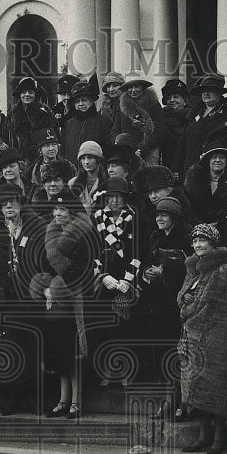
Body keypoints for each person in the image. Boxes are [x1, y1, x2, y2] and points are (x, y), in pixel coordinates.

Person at [0, 184, 48, 414]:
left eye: (13, 201)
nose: (8, 206)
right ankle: (8, 401)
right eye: (4, 202)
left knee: (31, 350)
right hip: (3, 298)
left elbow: (44, 261)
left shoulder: (36, 226)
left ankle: (33, 401)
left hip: (29, 299)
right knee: (6, 350)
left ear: (21, 203)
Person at [34, 188, 100, 419]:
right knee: (60, 351)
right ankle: (62, 400)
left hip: (77, 295)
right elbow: (45, 265)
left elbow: (83, 266)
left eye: (62, 209)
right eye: (55, 209)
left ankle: (76, 402)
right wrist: (47, 287)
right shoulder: (51, 233)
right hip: (57, 298)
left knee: (73, 353)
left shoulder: (83, 234)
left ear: (71, 211)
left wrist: (57, 286)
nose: (58, 213)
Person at [177, 223, 227, 454]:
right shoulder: (194, 267)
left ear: (212, 243)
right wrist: (184, 300)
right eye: (195, 241)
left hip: (214, 335)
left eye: (202, 240)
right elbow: (183, 295)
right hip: (192, 334)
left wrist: (186, 309)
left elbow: (211, 303)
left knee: (214, 386)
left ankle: (220, 435)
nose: (198, 244)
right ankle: (203, 434)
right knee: (195, 384)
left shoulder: (221, 269)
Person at [141, 196, 192, 420]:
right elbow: (146, 261)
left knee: (179, 354)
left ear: (174, 218)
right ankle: (167, 400)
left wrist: (166, 273)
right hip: (158, 302)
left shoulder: (186, 237)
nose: (159, 219)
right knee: (163, 352)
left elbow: (191, 269)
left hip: (177, 302)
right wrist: (147, 273)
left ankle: (183, 402)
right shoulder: (155, 236)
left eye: (164, 215)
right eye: (158, 215)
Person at [91, 177, 142, 389]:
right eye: (111, 197)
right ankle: (106, 371)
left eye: (119, 197)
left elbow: (138, 251)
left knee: (124, 328)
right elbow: (93, 250)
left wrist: (128, 280)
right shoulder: (96, 217)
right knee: (104, 327)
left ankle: (125, 372)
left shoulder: (133, 218)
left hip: (126, 279)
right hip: (105, 280)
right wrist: (103, 276)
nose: (114, 201)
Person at [172, 74, 227, 177]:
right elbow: (183, 142)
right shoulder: (194, 112)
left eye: (210, 90)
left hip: (212, 168)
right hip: (189, 166)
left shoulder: (226, 113)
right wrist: (176, 168)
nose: (206, 94)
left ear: (219, 92)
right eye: (203, 91)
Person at [111, 73, 167, 166]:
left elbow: (159, 131)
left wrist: (141, 149)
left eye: (136, 86)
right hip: (127, 151)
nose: (133, 90)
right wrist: (119, 144)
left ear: (143, 87)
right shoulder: (121, 105)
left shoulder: (153, 104)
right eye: (130, 87)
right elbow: (115, 130)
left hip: (148, 150)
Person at [5, 76, 55, 161]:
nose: (27, 95)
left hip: (42, 159)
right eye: (24, 92)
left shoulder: (45, 112)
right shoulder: (12, 115)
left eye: (30, 92)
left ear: (35, 94)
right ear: (20, 95)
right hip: (20, 160)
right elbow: (8, 139)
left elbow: (54, 136)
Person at [61, 81, 108, 165]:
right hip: (72, 169)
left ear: (92, 101)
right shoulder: (68, 124)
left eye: (84, 100)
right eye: (77, 101)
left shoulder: (103, 122)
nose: (80, 104)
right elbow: (63, 151)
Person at [69, 140, 107, 210]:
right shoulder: (72, 183)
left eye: (90, 158)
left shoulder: (107, 183)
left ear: (98, 159)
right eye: (83, 158)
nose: (86, 162)